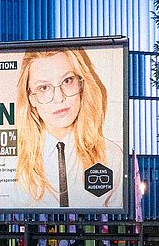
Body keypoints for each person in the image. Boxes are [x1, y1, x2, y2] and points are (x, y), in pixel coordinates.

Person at [13, 49, 116, 209]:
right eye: (44, 88)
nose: (59, 97)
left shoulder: (111, 156)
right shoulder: (11, 164)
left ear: (81, 84)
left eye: (67, 81)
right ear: (31, 98)